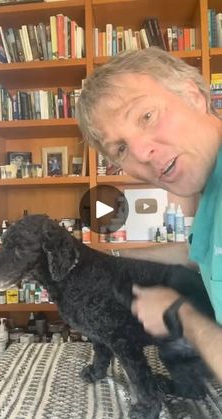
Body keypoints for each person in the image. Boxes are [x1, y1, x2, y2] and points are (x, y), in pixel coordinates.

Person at [76, 47, 222, 381]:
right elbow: (198, 253)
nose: (142, 152)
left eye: (146, 116)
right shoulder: (211, 188)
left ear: (193, 95)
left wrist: (179, 314)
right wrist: (107, 259)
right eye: (122, 149)